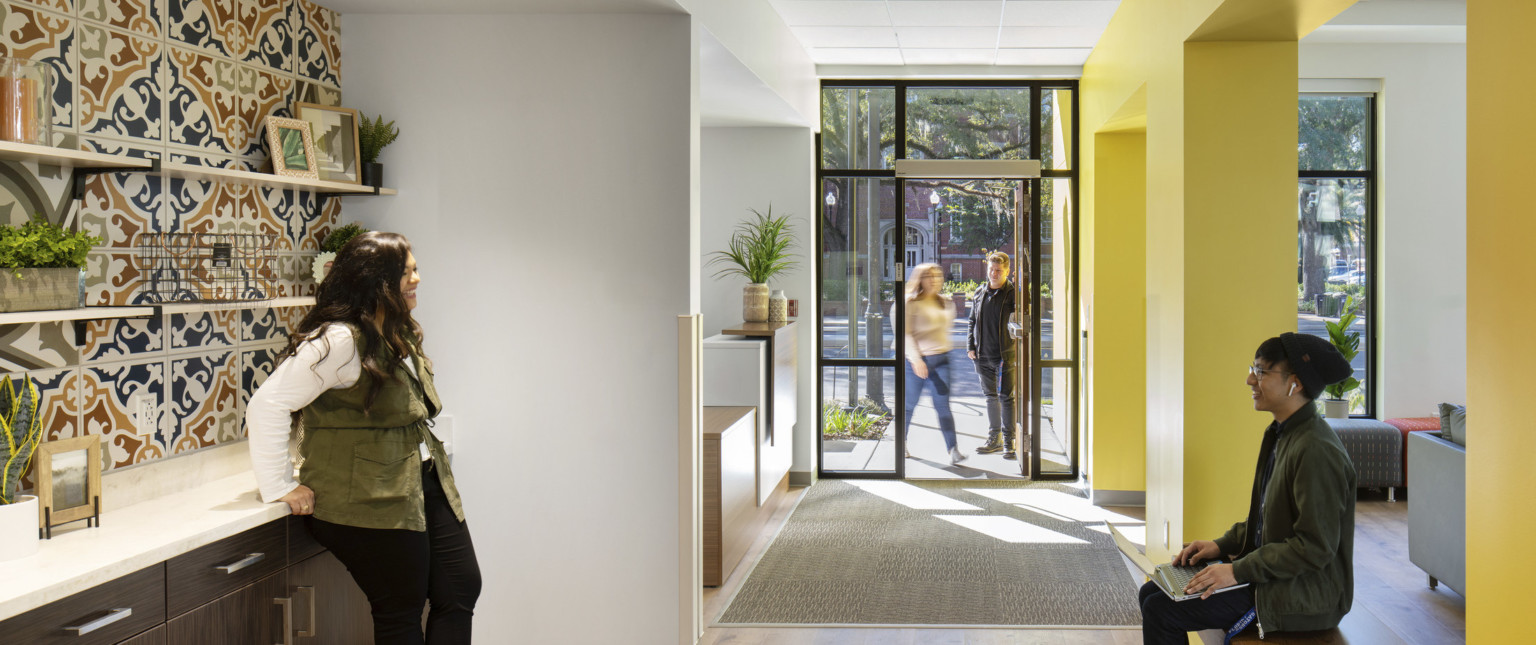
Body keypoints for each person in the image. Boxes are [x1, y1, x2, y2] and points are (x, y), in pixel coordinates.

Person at [246, 232, 481, 645]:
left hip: (420, 480)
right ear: (377, 281)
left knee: (460, 588)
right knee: (401, 612)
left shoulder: (392, 329)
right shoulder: (339, 339)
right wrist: (278, 485)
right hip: (370, 496)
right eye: (407, 272)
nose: (418, 279)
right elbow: (267, 404)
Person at [1138, 332, 1357, 644]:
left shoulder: (1316, 450)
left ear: (1294, 382)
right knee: (1153, 591)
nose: (1249, 380)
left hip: (1307, 594)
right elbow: (1267, 523)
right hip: (1278, 578)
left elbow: (1314, 548)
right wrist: (1221, 545)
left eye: (1261, 371)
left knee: (1162, 609)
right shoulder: (1284, 434)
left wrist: (1237, 571)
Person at [901, 263, 965, 465]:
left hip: (942, 360)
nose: (934, 280)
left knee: (943, 407)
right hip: (917, 362)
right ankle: (900, 443)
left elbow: (944, 333)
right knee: (909, 405)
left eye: (937, 276)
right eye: (929, 276)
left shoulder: (946, 303)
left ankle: (953, 449)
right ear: (920, 279)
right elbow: (907, 335)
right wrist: (917, 359)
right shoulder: (911, 303)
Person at [967, 250, 1018, 460]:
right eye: (991, 269)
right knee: (990, 397)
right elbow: (971, 321)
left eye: (998, 270)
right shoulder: (980, 292)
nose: (994, 273)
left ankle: (1009, 441)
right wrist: (970, 346)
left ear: (1007, 271)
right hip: (982, 354)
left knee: (1006, 398)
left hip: (1005, 355)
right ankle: (994, 438)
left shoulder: (1013, 294)